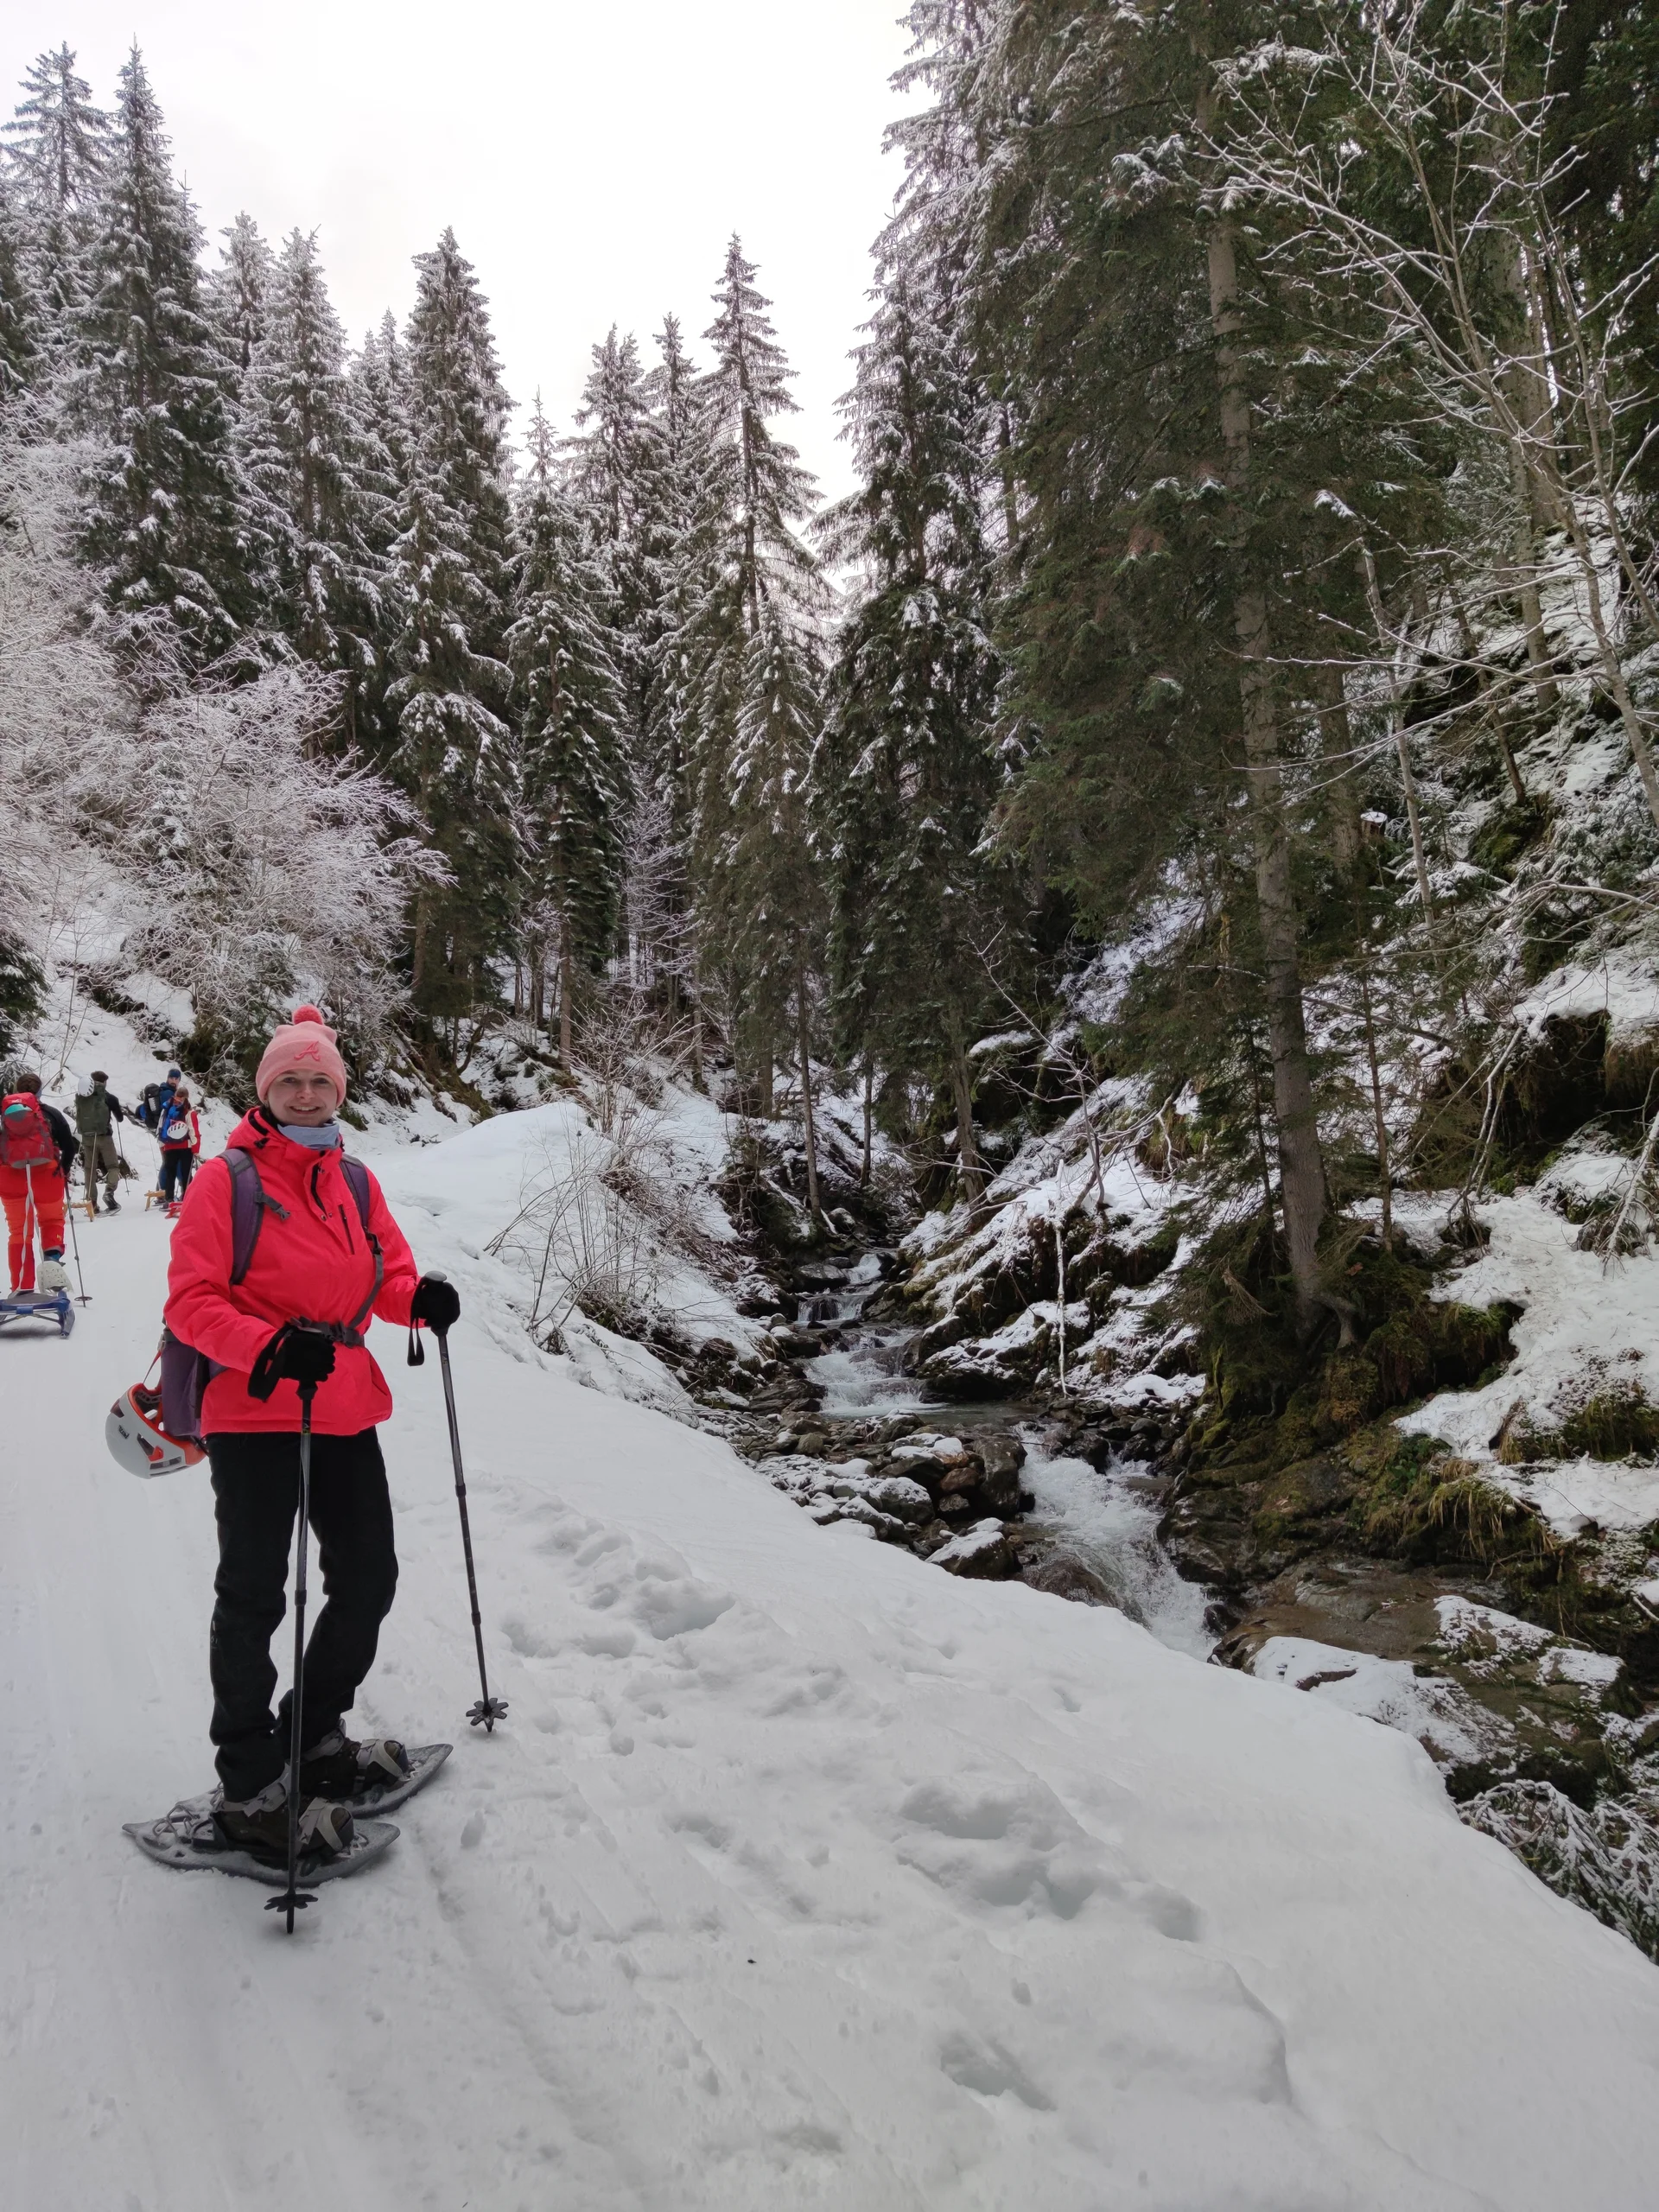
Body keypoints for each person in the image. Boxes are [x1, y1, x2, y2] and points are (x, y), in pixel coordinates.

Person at [163, 1004, 461, 1864]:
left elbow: (385, 1276)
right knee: (256, 1596)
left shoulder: (356, 1181)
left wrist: (420, 1301)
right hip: (253, 1408)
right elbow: (191, 1300)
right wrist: (266, 1343)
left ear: (338, 1089)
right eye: (288, 1079)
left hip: (340, 1404)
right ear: (265, 1090)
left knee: (368, 1577)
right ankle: (250, 1786)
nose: (303, 1092)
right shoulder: (228, 1180)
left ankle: (314, 1736)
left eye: (318, 1079)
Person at [0, 1071, 77, 1294]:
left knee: (19, 1232)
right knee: (52, 1220)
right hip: (47, 1175)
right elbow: (69, 1146)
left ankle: (22, 1287)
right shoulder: (50, 1114)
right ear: (39, 1092)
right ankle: (52, 1264)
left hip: (11, 1178)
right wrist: (62, 1170)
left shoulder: (3, 1116)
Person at [75, 1069, 130, 1212]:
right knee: (112, 1166)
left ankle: (91, 1203)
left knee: (89, 1169)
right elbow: (120, 1118)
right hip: (104, 1137)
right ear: (105, 1082)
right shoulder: (109, 1097)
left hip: (87, 1137)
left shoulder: (82, 1095)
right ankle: (109, 1192)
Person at [156, 1083, 200, 1211]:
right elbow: (193, 1130)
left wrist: (162, 1144)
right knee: (186, 1172)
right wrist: (196, 1148)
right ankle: (187, 1197)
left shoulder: (167, 1107)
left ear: (175, 1095)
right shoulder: (188, 1110)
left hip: (169, 1146)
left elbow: (161, 1125)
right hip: (185, 1146)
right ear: (187, 1097)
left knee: (170, 1171)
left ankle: (169, 1199)